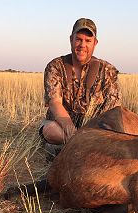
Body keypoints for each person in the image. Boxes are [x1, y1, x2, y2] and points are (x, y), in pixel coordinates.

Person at [40, 17, 121, 158]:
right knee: (49, 130)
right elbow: (55, 103)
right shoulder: (55, 67)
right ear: (71, 39)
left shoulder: (108, 71)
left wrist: (92, 134)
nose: (82, 45)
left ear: (95, 43)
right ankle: (83, 150)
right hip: (62, 128)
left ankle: (69, 150)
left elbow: (113, 112)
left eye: (88, 41)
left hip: (95, 132)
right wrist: (73, 134)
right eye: (78, 39)